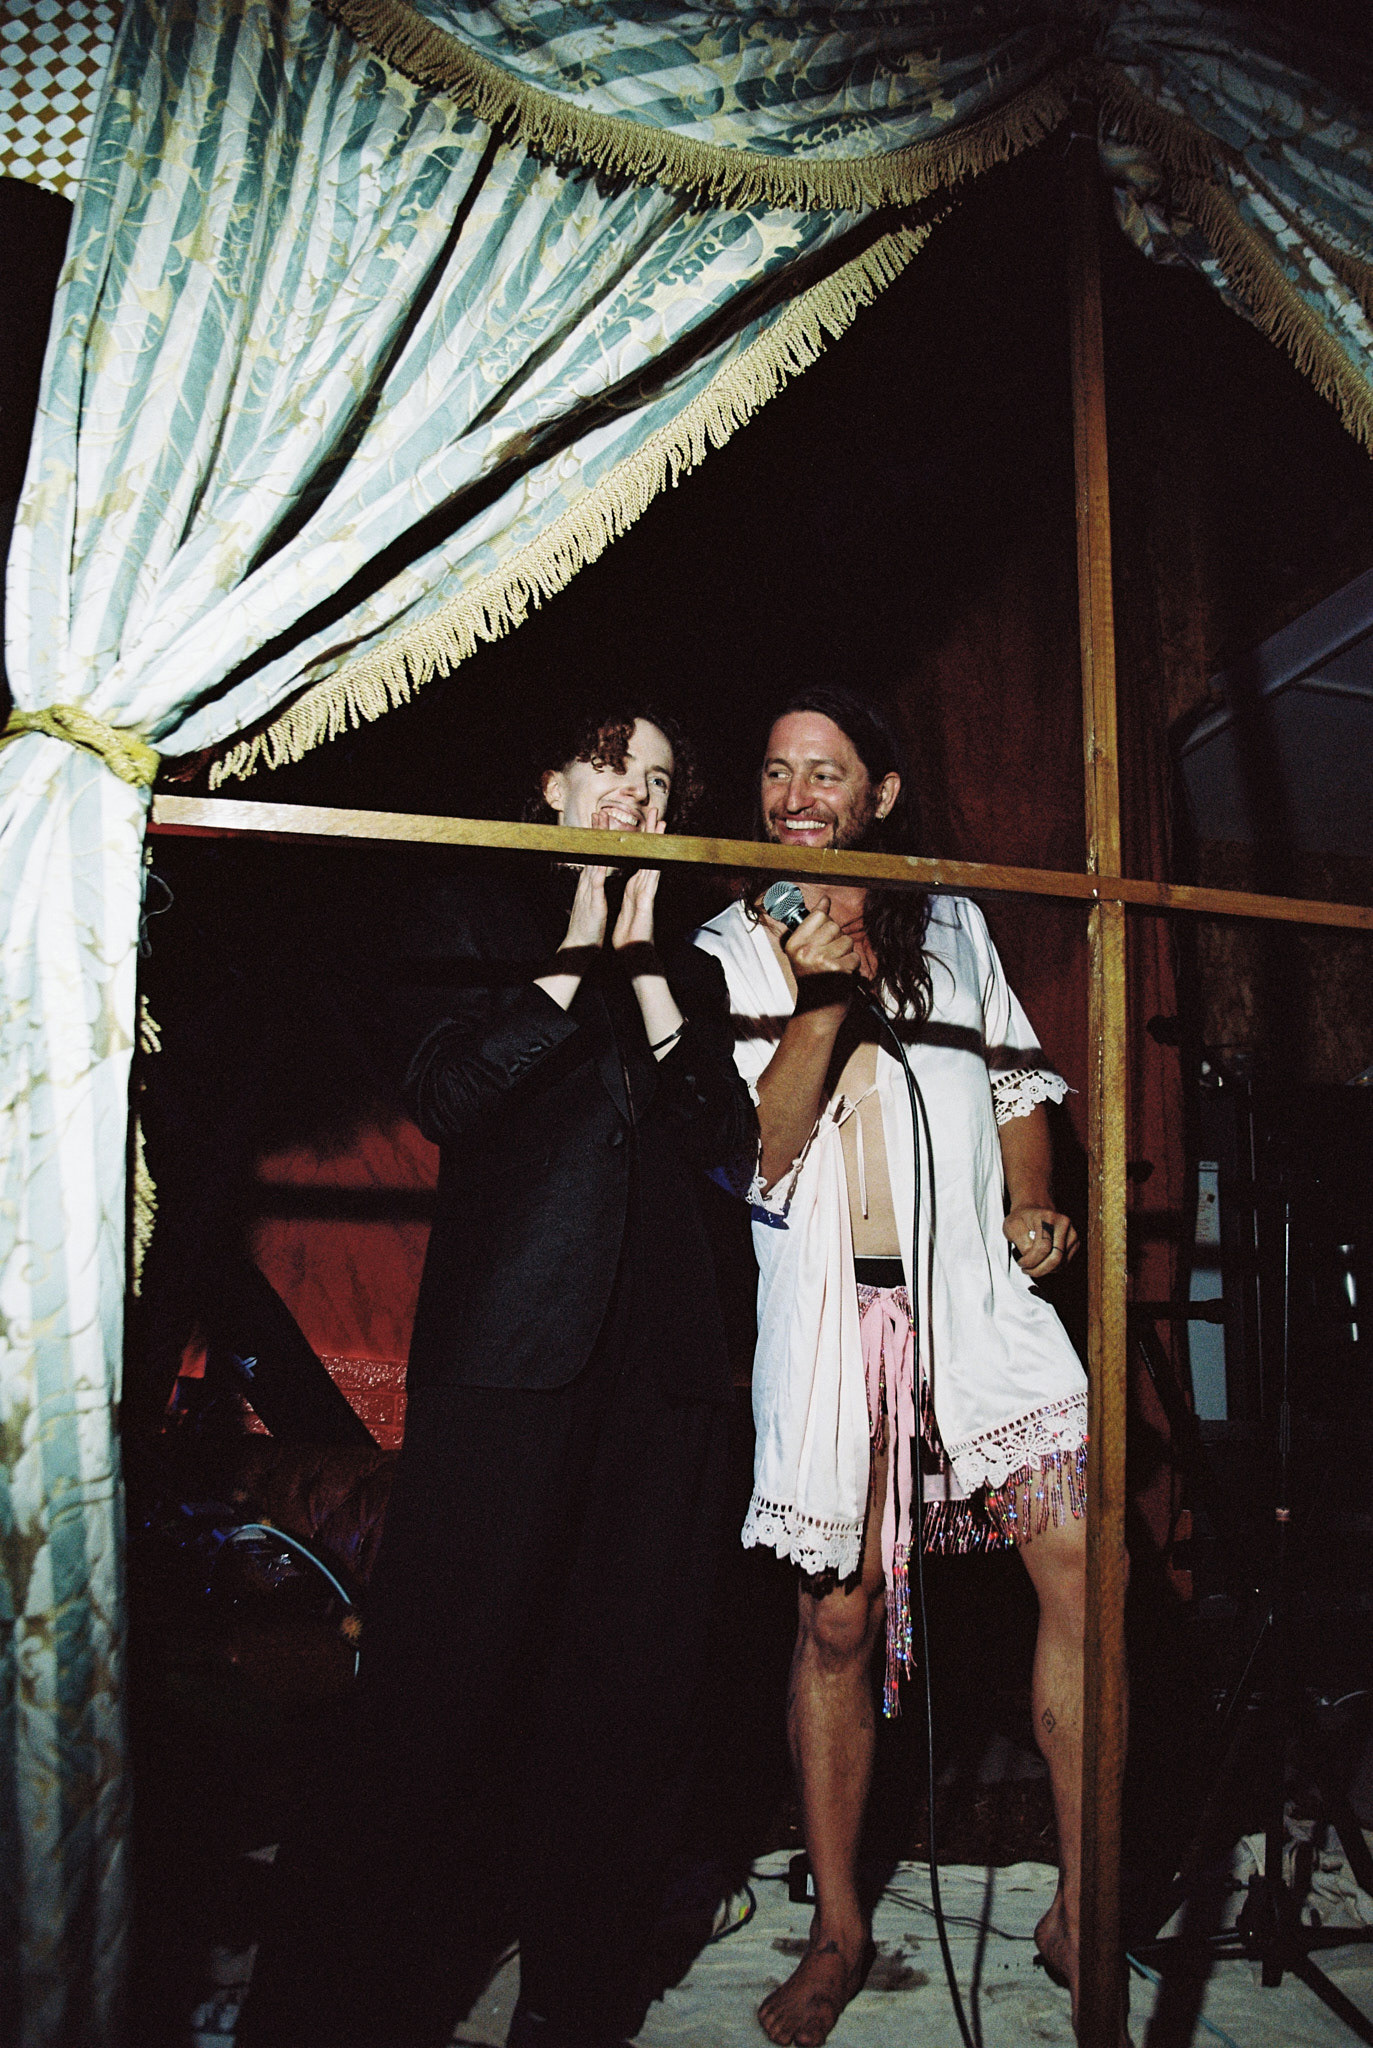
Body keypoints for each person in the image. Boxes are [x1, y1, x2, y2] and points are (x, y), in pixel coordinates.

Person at [242, 706, 756, 2048]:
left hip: (666, 1375)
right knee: (431, 1695)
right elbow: (453, 1095)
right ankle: (323, 2018)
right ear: (548, 782)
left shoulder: (690, 969)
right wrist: (576, 951)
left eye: (660, 780)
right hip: (511, 1356)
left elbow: (720, 1133)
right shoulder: (462, 910)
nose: (637, 796)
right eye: (610, 766)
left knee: (631, 1702)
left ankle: (574, 2010)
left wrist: (642, 966)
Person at [693, 687, 1112, 2048]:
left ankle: (1082, 1906)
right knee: (838, 1622)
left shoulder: (955, 927)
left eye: (825, 772)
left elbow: (1016, 1083)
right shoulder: (728, 946)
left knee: (1086, 1568)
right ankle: (838, 1930)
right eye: (776, 771)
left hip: (978, 1308)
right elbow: (759, 1152)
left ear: (879, 795)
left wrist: (1030, 1202)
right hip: (832, 1324)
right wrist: (820, 995)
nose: (795, 795)